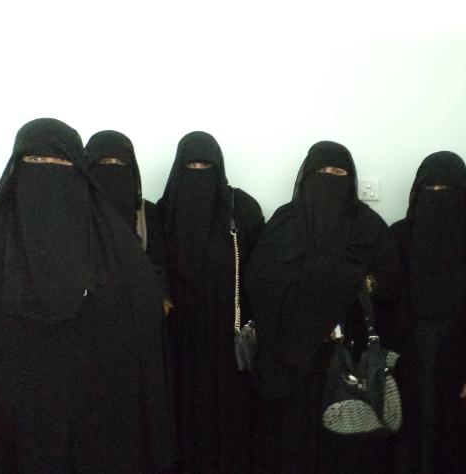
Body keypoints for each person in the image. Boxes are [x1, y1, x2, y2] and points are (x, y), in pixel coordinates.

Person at [0, 118, 178, 472]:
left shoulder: (117, 248)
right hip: (12, 418)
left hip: (94, 416)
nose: (47, 170)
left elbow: (142, 328)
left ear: (78, 171)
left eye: (61, 162)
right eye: (35, 161)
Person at [245, 141, 387, 473]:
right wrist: (338, 280)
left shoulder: (368, 225)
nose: (330, 178)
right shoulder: (285, 221)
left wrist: (349, 282)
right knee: (292, 442)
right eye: (322, 172)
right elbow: (260, 280)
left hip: (347, 356)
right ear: (307, 177)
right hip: (289, 358)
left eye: (338, 172)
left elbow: (388, 278)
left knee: (343, 445)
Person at [371, 151, 466, 474]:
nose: (439, 198)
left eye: (448, 191)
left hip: (462, 362)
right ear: (417, 193)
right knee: (407, 441)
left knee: (454, 441)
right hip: (407, 359)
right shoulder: (400, 236)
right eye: (431, 190)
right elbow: (385, 301)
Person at [158, 131, 264, 474]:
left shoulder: (241, 209)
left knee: (229, 417)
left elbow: (260, 272)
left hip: (228, 339)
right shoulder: (162, 214)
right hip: (179, 340)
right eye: (190, 166)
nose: (198, 172)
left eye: (206, 166)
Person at [85, 130, 172, 314]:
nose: (112, 168)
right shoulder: (76, 210)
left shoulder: (146, 212)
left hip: (137, 307)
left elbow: (157, 262)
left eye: (120, 162)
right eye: (104, 162)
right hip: (87, 308)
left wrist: (162, 298)